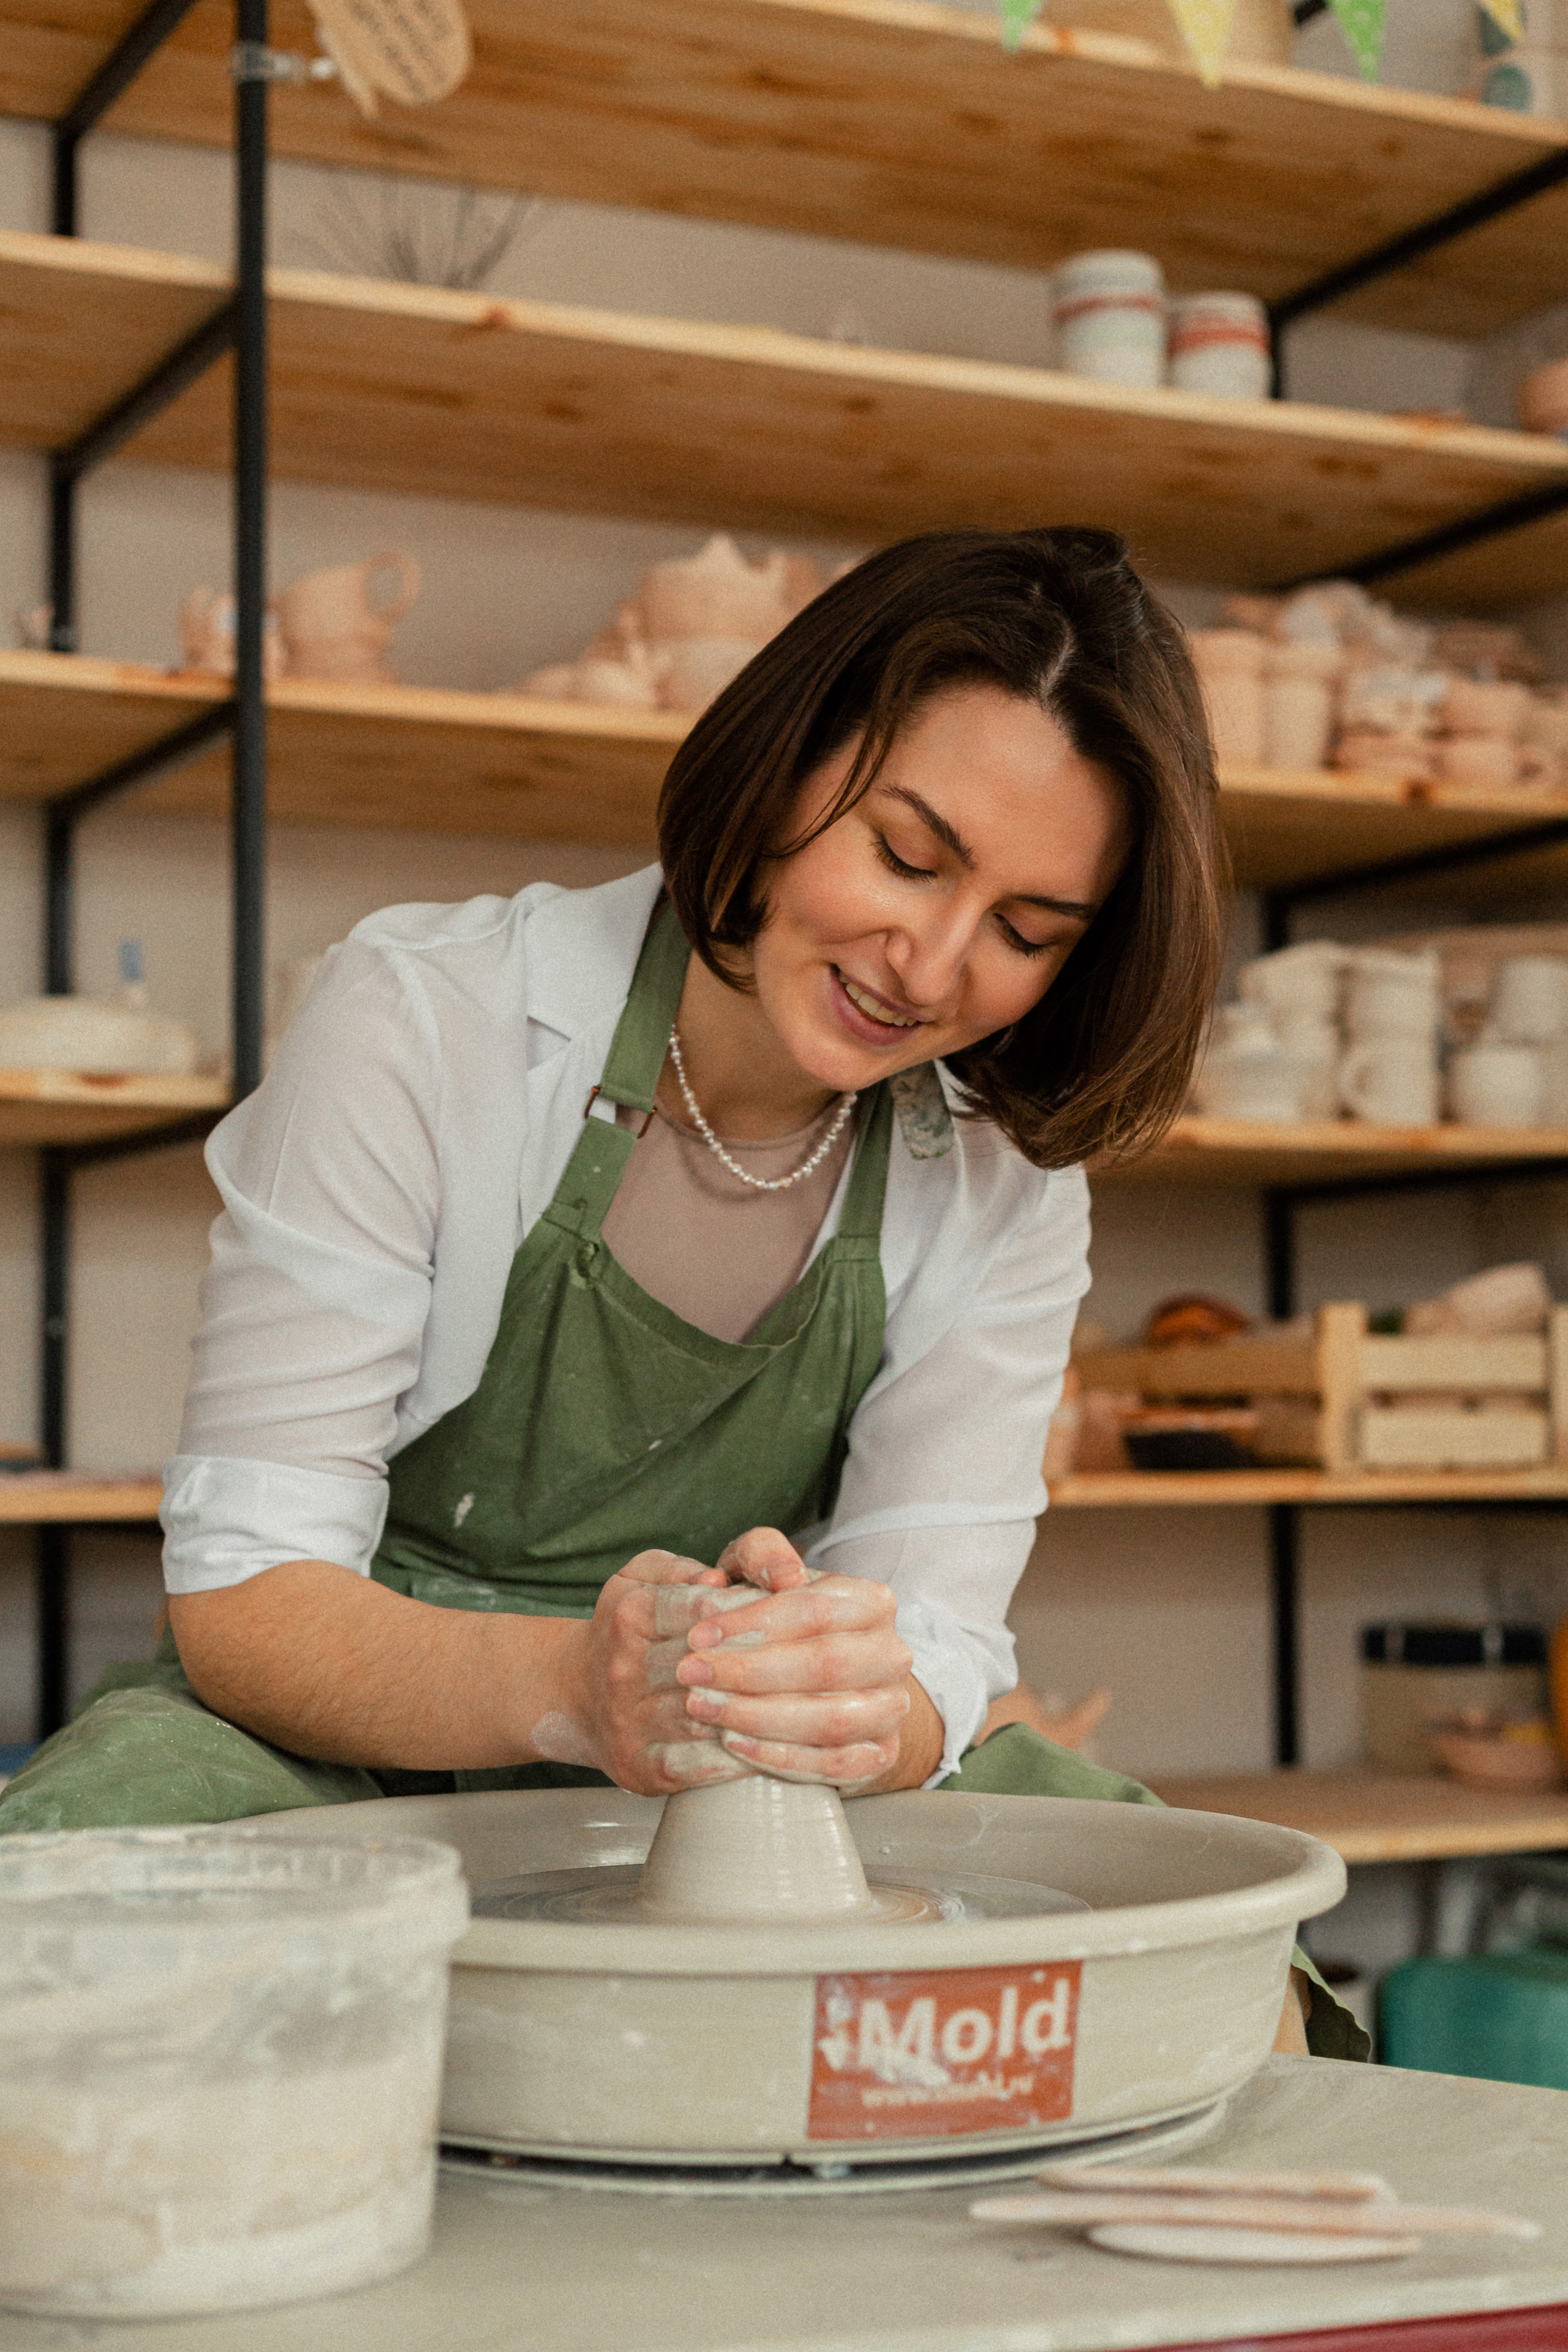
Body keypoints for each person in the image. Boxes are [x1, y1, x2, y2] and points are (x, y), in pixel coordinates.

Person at [0, 526, 1363, 2057]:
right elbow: (248, 1599)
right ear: (788, 765)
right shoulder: (424, 1020)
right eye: (907, 856)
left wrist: (857, 1705)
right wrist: (574, 1689)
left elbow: (940, 1639)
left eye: (1025, 933)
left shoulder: (1000, 1178)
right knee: (74, 1920)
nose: (929, 963)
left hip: (745, 1764)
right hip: (347, 1728)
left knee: (1224, 1982)